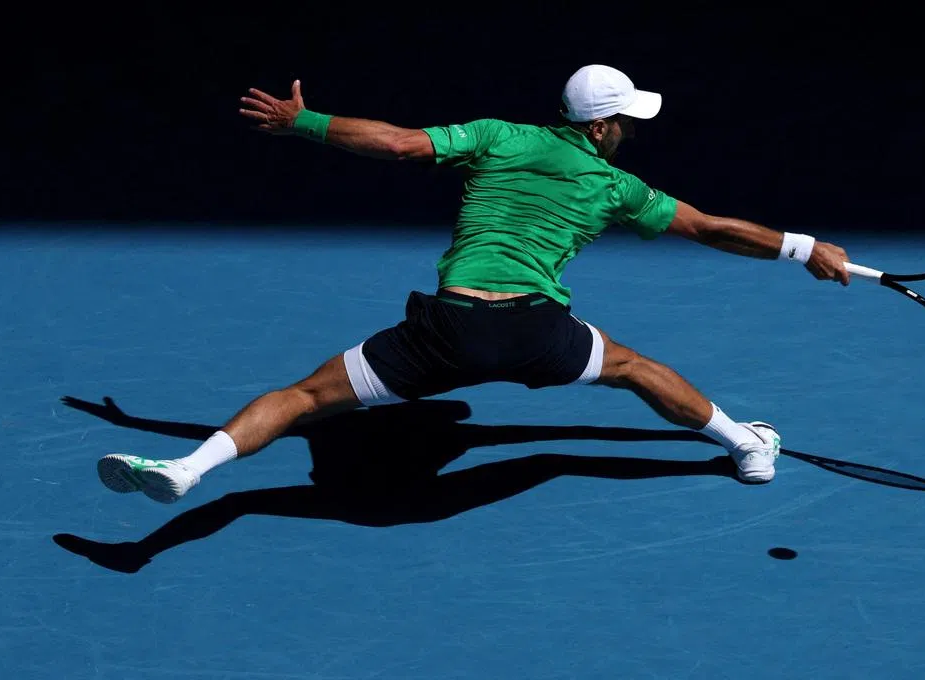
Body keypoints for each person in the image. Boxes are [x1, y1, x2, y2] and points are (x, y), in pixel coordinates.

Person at [95, 64, 851, 505]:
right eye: (624, 119)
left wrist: (304, 121)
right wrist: (805, 247)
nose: (630, 129)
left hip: (447, 330)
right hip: (535, 332)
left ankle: (185, 468)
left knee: (304, 398)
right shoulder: (616, 185)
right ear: (598, 129)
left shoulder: (495, 136)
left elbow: (395, 145)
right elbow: (713, 228)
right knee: (631, 369)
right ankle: (747, 446)